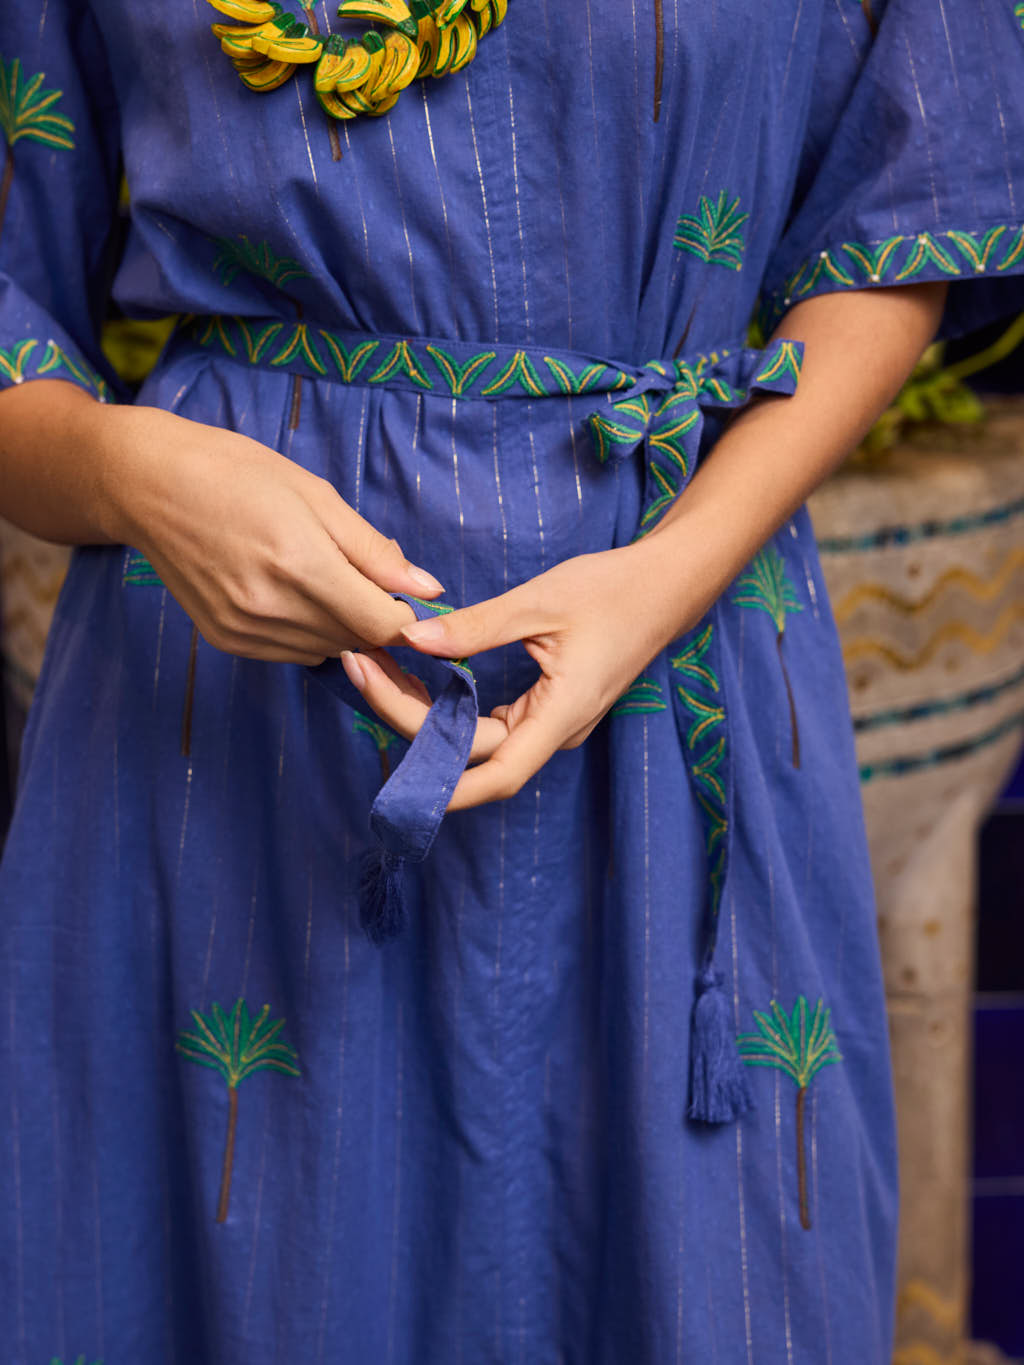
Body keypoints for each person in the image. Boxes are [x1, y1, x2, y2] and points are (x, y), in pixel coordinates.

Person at [1, 1, 1022, 1360]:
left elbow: (905, 212)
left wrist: (662, 580)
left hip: (678, 656)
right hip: (214, 729)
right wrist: (134, 472)